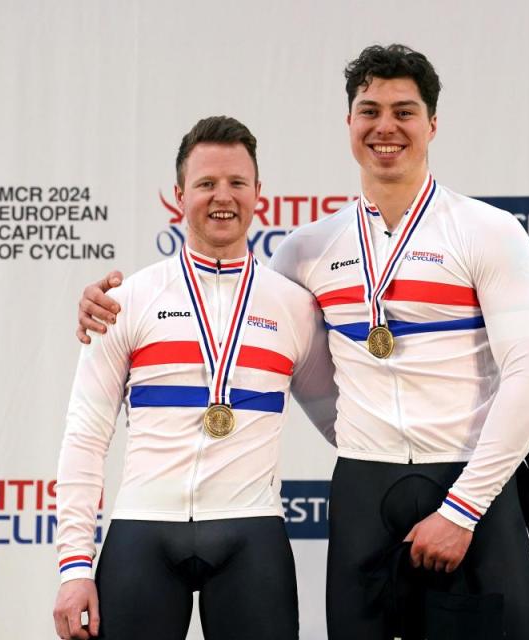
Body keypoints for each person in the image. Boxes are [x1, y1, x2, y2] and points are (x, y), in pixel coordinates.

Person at [77, 45, 529, 639]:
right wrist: (101, 309)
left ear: (433, 124)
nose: (386, 127)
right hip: (363, 489)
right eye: (369, 110)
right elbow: (238, 320)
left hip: (470, 489)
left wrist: (462, 507)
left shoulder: (490, 231)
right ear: (350, 124)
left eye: (404, 112)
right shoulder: (305, 251)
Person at [53, 116, 336, 640]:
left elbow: (349, 425)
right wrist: (74, 566)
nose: (222, 196)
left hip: (251, 532)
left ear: (259, 193)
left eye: (236, 183)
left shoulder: (295, 307)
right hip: (143, 530)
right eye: (206, 183)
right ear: (180, 194)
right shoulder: (124, 302)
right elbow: (85, 438)